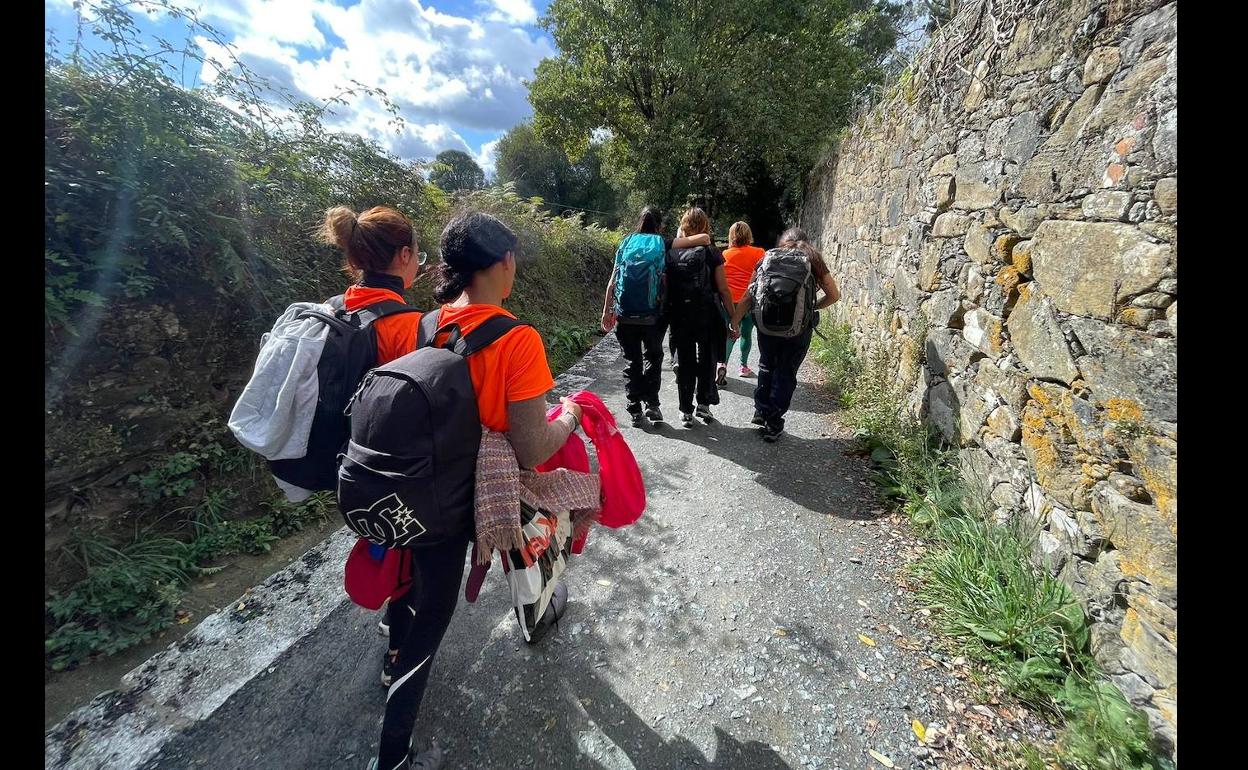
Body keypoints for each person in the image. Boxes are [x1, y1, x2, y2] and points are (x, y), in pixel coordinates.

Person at [368, 211, 584, 770]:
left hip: (417, 485)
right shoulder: (518, 339)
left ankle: (394, 649)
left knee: (415, 580)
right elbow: (533, 448)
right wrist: (572, 417)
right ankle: (391, 753)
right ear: (504, 261)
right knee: (433, 618)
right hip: (468, 496)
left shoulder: (424, 324)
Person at [600, 207, 710, 426]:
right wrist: (679, 235)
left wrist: (606, 311)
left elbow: (613, 281)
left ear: (639, 221)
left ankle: (634, 410)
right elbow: (705, 238)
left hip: (625, 315)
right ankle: (652, 404)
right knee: (653, 357)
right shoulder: (662, 243)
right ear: (658, 225)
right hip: (653, 316)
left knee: (632, 362)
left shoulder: (626, 242)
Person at [729, 227, 840, 442]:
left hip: (766, 326)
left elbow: (749, 295)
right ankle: (774, 422)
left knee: (766, 365)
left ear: (782, 242)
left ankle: (761, 410)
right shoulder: (813, 259)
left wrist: (734, 321)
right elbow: (834, 295)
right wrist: (812, 307)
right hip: (797, 330)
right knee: (786, 372)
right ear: (806, 241)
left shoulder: (768, 258)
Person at [665, 207, 734, 427]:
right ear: (705, 226)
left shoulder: (672, 252)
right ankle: (704, 403)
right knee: (707, 358)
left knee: (685, 361)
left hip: (680, 314)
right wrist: (733, 317)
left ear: (683, 225)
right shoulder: (712, 252)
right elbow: (723, 289)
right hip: (706, 313)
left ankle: (686, 411)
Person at [721, 221, 766, 378]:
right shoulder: (759, 252)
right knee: (747, 333)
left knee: (729, 334)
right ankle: (743, 366)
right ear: (749, 235)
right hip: (750, 299)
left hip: (730, 301)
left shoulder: (724, 255)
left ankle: (722, 366)